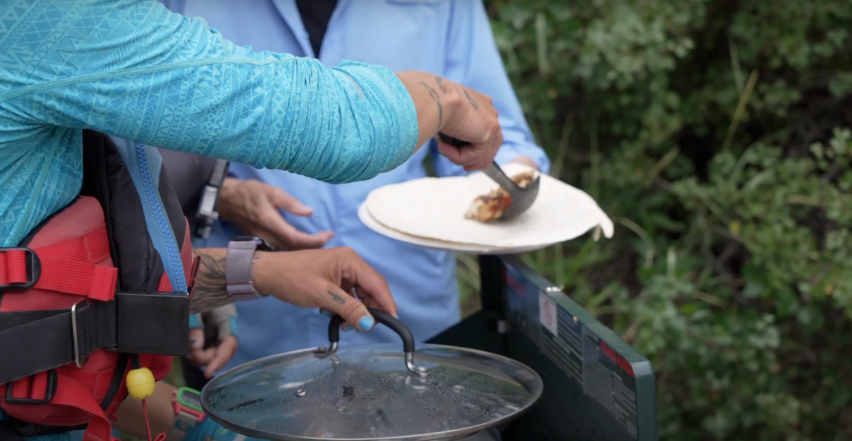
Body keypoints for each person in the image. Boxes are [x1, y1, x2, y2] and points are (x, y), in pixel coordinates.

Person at [0, 1, 505, 440]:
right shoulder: (50, 17)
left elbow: (52, 298)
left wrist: (256, 272)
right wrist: (447, 100)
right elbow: (340, 127)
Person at [168, 0, 551, 385]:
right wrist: (220, 194)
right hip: (249, 322)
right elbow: (137, 146)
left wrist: (508, 183)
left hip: (407, 308)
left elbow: (496, 137)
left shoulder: (447, 7)